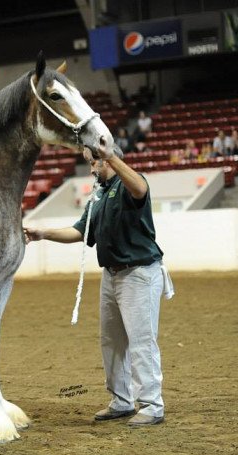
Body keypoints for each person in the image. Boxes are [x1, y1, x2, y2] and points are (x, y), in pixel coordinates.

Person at [24, 145, 171, 427]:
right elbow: (80, 231)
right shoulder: (99, 195)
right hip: (113, 275)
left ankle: (152, 405)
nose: (92, 170)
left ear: (109, 161)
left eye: (95, 164)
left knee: (141, 341)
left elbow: (140, 188)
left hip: (138, 273)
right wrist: (43, 233)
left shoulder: (129, 182)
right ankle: (121, 401)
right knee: (111, 341)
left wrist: (112, 157)